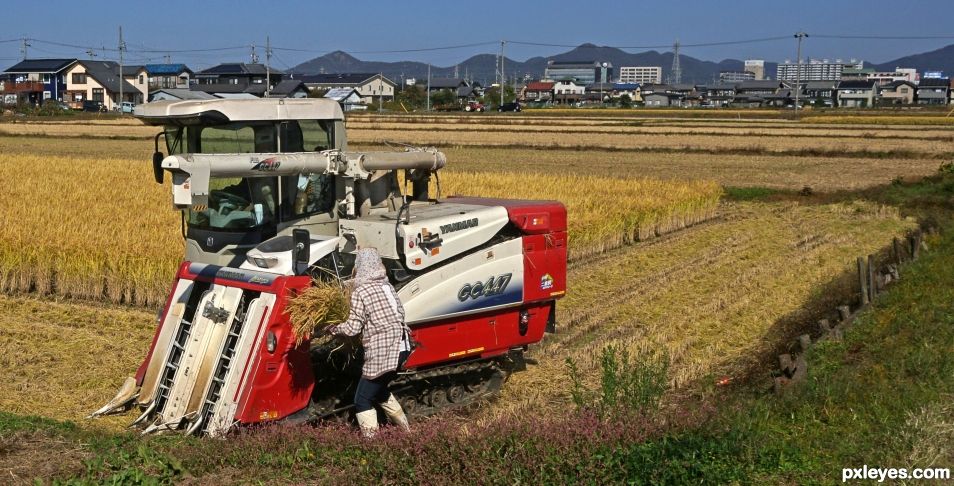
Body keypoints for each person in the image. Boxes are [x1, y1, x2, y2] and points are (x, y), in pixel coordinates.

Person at [327, 248, 413, 437]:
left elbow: (352, 328)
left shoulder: (361, 292)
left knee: (362, 399)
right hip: (403, 346)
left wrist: (332, 329)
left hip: (384, 351)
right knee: (380, 390)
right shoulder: (387, 286)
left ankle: (372, 447)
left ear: (361, 267)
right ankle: (407, 432)